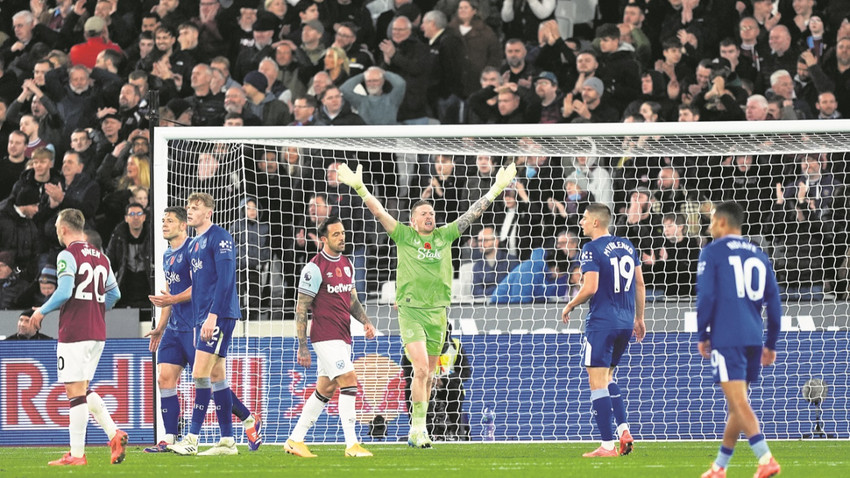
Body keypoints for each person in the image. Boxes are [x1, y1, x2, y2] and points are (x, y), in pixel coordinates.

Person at [336, 159, 516, 448]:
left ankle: (418, 428)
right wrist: (360, 188)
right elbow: (380, 212)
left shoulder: (444, 236)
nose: (429, 216)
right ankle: (418, 429)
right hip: (410, 312)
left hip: (438, 314)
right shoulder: (404, 236)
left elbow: (472, 214)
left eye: (431, 212)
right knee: (420, 370)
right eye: (423, 213)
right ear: (413, 221)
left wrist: (495, 190)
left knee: (430, 375)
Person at [144, 206, 263, 453]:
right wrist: (160, 326)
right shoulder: (167, 254)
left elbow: (192, 290)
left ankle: (245, 420)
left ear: (182, 226)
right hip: (175, 329)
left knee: (211, 378)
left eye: (170, 221)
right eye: (163, 220)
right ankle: (169, 437)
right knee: (164, 378)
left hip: (195, 326)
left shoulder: (194, 249)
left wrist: (173, 301)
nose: (164, 224)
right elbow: (169, 293)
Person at [29, 208, 125, 465]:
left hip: (75, 331)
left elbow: (64, 291)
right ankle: (114, 434)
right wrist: (94, 306)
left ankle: (77, 454)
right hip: (97, 333)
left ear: (62, 229)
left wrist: (41, 311)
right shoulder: (102, 258)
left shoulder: (67, 255)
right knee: (82, 389)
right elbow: (114, 296)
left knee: (74, 393)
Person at [697, 202, 782, 478]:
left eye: (711, 221)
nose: (709, 227)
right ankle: (720, 466)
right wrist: (770, 343)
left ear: (722, 222)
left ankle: (765, 457)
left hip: (727, 336)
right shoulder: (758, 253)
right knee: (737, 402)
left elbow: (706, 297)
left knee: (737, 402)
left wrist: (702, 334)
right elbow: (775, 303)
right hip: (753, 337)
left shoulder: (712, 252)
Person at [283, 216, 377, 458]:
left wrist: (365, 321)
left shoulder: (347, 263)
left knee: (325, 388)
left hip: (344, 336)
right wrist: (302, 346)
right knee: (349, 379)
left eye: (343, 233)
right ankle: (352, 444)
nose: (342, 237)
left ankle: (295, 439)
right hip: (324, 336)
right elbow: (301, 307)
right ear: (323, 239)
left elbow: (352, 300)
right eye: (336, 234)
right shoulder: (314, 268)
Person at [560, 203, 646, 457]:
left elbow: (590, 288)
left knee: (596, 382)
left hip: (601, 323)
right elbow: (640, 284)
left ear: (596, 222)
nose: (581, 222)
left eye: (585, 218)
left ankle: (607, 445)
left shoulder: (591, 249)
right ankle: (623, 430)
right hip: (624, 322)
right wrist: (639, 318)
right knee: (608, 378)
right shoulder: (628, 246)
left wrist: (570, 304)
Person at [167, 193, 243, 456]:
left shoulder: (220, 238)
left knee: (199, 374)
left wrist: (212, 316)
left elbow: (226, 280)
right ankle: (227, 442)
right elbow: (197, 286)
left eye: (195, 208)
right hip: (204, 318)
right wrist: (199, 321)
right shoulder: (193, 244)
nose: (189, 211)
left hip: (219, 315)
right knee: (216, 376)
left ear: (208, 212)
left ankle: (192, 438)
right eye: (188, 207)